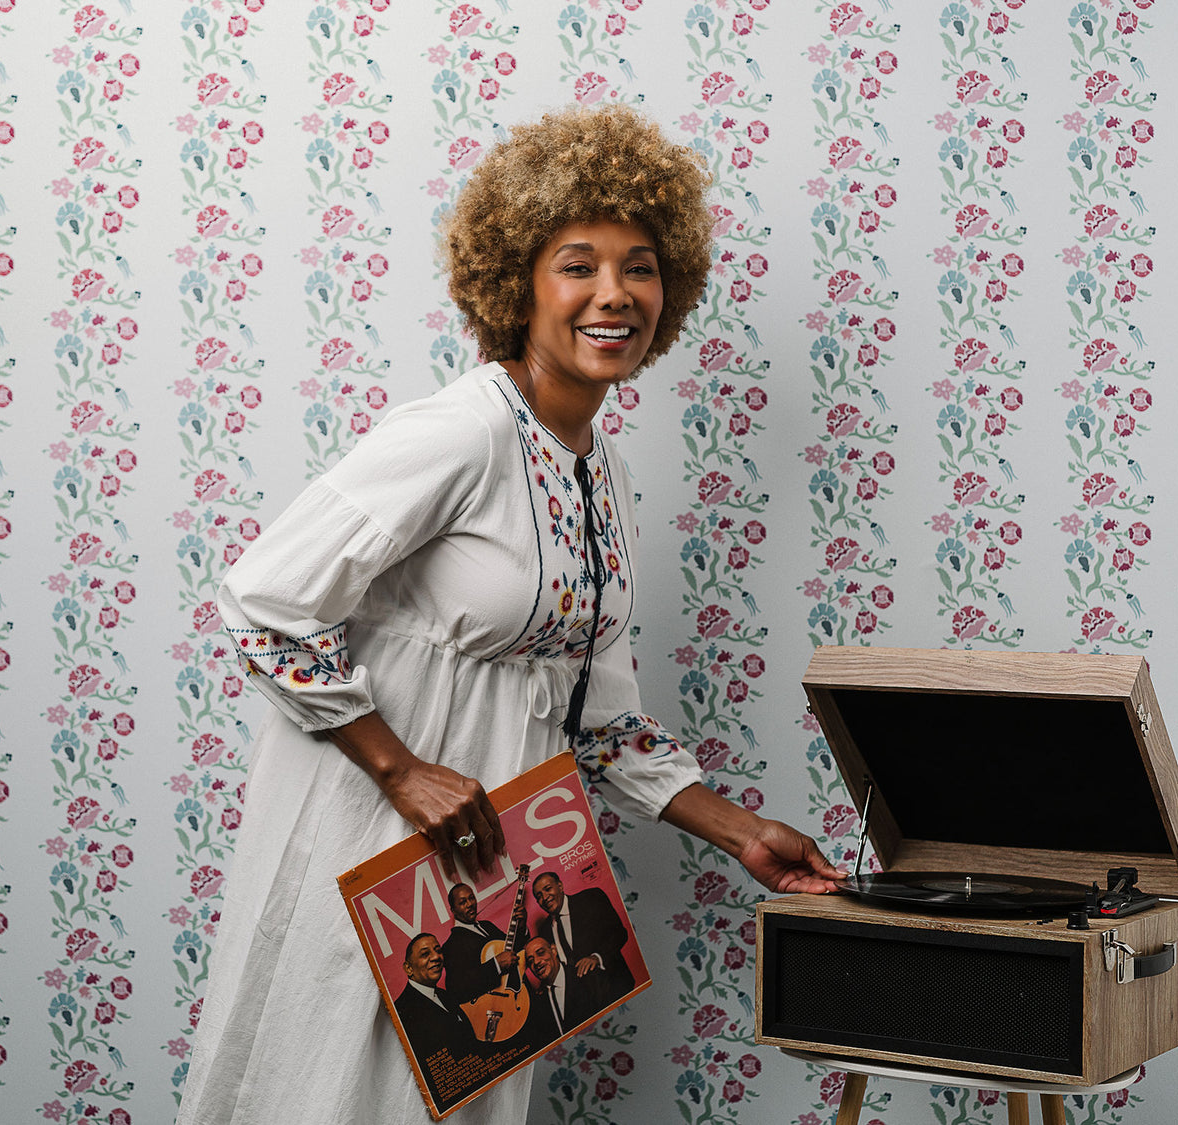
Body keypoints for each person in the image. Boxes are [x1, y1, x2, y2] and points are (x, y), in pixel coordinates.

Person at [176, 104, 839, 1125]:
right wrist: (401, 771)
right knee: (329, 1095)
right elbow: (265, 600)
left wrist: (741, 833)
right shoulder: (459, 433)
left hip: (504, 860)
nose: (615, 294)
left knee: (459, 1105)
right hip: (379, 835)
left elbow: (599, 715)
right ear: (516, 283)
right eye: (578, 265)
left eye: (642, 266)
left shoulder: (597, 471)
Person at [530, 871, 632, 1007]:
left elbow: (619, 933)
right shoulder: (544, 931)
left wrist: (596, 957)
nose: (545, 897)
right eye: (539, 896)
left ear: (560, 886)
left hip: (615, 988)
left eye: (548, 889)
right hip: (583, 1007)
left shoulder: (591, 898)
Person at [393, 933, 481, 1071]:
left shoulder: (446, 996)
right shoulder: (401, 1011)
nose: (436, 957)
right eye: (425, 954)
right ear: (409, 968)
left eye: (438, 951)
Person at [441, 882, 520, 1006]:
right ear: (453, 910)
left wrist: (521, 927)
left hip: (517, 997)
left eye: (471, 898)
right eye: (462, 902)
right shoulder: (450, 946)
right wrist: (496, 965)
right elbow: (456, 990)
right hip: (493, 1007)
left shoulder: (487, 926)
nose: (470, 904)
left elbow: (514, 952)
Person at [522, 935, 604, 1042]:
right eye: (530, 961)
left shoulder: (588, 977)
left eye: (541, 953)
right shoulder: (538, 1002)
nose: (536, 962)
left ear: (554, 950)